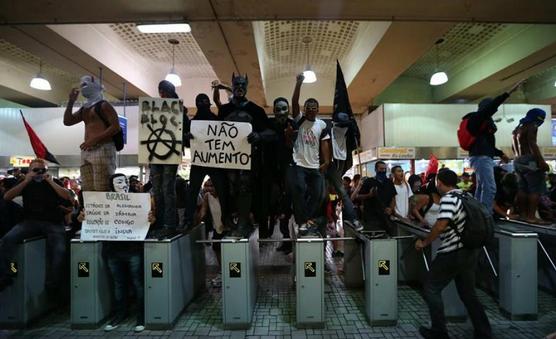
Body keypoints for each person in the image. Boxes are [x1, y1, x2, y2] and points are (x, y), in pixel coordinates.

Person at [415, 169, 491, 339]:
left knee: (430, 287)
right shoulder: (467, 196)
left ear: (439, 183)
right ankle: (484, 332)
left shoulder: (449, 199)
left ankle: (439, 331)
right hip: (471, 251)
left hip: (453, 252)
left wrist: (424, 242)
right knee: (468, 293)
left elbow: (441, 225)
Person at [79, 174, 154, 333]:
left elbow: (149, 222)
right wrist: (83, 217)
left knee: (137, 284)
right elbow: (84, 218)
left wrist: (150, 219)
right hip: (112, 250)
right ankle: (120, 314)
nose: (124, 184)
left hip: (133, 249)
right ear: (111, 185)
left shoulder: (137, 201)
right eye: (119, 182)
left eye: (126, 181)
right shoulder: (102, 202)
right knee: (118, 285)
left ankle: (141, 316)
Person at [0, 159, 71, 296]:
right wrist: (26, 181)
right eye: (35, 170)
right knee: (6, 240)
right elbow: (7, 197)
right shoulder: (25, 182)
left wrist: (49, 181)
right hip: (30, 221)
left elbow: (67, 196)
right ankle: (6, 274)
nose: (39, 173)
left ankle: (52, 285)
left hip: (53, 222)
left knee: (59, 251)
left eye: (42, 170)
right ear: (29, 170)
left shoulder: (54, 182)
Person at [218, 74, 275, 237]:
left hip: (248, 161)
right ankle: (232, 221)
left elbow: (272, 132)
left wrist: (259, 135)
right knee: (230, 189)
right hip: (228, 160)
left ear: (247, 85)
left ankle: (243, 222)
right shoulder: (224, 110)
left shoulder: (256, 110)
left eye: (243, 84)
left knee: (244, 188)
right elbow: (212, 132)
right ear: (232, 84)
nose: (240, 87)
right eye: (237, 84)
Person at [464, 79, 523, 213]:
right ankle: (485, 216)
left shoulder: (484, 122)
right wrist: (509, 92)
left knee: (481, 187)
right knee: (490, 188)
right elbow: (492, 107)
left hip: (482, 156)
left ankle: (478, 214)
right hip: (481, 157)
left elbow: (489, 144)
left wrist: (500, 153)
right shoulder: (477, 118)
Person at [288, 73, 331, 236]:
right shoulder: (299, 119)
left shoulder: (321, 124)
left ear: (318, 110)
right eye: (308, 108)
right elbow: (294, 102)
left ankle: (306, 219)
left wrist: (326, 161)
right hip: (299, 163)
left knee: (320, 195)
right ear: (304, 109)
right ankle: (303, 221)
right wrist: (299, 83)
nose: (311, 111)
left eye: (314, 108)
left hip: (314, 165)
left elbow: (324, 142)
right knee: (299, 189)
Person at [64, 75, 120, 191]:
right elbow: (67, 121)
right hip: (87, 150)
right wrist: (71, 101)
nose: (83, 86)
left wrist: (94, 139)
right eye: (82, 84)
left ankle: (102, 209)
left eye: (87, 83)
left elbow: (115, 127)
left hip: (103, 148)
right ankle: (90, 209)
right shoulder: (85, 108)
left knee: (102, 188)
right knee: (87, 189)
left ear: (97, 86)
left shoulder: (104, 105)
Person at [183, 94, 228, 232]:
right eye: (200, 102)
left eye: (204, 102)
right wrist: (187, 137)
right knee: (193, 191)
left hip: (211, 161)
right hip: (201, 161)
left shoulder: (212, 120)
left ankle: (226, 219)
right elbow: (187, 143)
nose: (203, 105)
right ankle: (188, 220)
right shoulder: (194, 123)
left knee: (221, 190)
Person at [149, 80, 181, 232]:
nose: (162, 94)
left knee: (167, 188)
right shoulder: (152, 109)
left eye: (165, 91)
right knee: (158, 189)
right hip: (156, 153)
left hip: (168, 152)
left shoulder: (179, 110)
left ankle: (169, 223)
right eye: (161, 91)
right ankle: (161, 222)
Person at [324, 112, 363, 231]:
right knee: (337, 193)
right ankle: (353, 219)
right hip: (327, 166)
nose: (343, 128)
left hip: (334, 168)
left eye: (345, 126)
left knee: (332, 195)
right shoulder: (328, 133)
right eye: (341, 125)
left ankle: (349, 219)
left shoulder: (346, 136)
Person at [512, 108, 549, 224]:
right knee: (535, 189)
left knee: (522, 189)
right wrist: (541, 161)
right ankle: (531, 217)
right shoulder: (532, 126)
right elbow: (532, 143)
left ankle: (523, 215)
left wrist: (519, 159)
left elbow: (513, 147)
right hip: (530, 160)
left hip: (518, 160)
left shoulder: (517, 129)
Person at [353, 161, 396, 234]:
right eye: (381, 169)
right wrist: (369, 195)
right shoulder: (369, 182)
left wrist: (390, 209)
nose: (383, 171)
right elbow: (357, 196)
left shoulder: (389, 182)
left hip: (385, 217)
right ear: (376, 169)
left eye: (384, 169)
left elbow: (393, 198)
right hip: (371, 218)